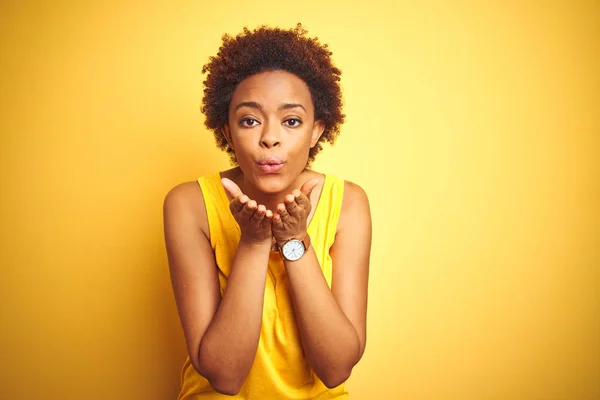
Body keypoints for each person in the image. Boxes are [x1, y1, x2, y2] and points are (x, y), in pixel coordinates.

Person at [163, 23, 372, 399]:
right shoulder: (188, 204)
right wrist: (255, 243)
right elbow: (224, 377)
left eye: (291, 121)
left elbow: (336, 367)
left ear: (316, 131)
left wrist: (295, 240)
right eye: (250, 120)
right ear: (227, 131)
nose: (270, 137)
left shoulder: (349, 204)